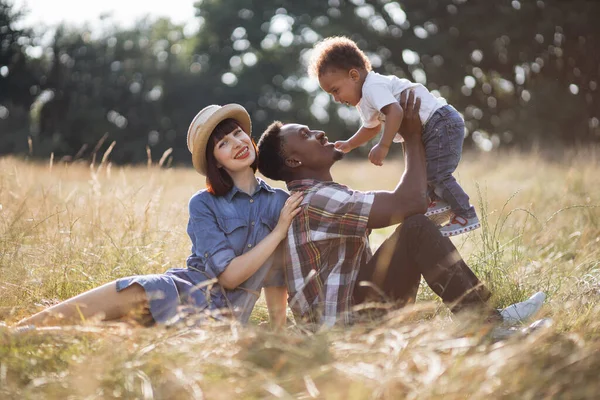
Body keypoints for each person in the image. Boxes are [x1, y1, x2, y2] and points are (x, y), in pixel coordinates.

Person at [256, 90, 545, 328]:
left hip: (352, 315)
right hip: (341, 332)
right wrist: (410, 136)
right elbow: (411, 203)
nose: (319, 133)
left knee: (416, 228)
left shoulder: (320, 195)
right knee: (415, 229)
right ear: (293, 162)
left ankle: (490, 320)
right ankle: (488, 325)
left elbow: (410, 202)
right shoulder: (315, 201)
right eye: (306, 135)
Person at [17, 104, 302, 329]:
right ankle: (17, 330)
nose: (237, 143)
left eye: (238, 133)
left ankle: (24, 332)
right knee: (135, 291)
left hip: (220, 323)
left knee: (100, 334)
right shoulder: (204, 204)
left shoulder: (280, 202)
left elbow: (276, 274)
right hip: (183, 292)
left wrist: (278, 331)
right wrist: (278, 231)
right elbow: (227, 277)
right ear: (216, 160)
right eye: (223, 143)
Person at [308, 36, 479, 237]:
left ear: (354, 75)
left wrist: (384, 145)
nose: (336, 99)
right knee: (425, 174)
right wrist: (350, 144)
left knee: (437, 174)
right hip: (432, 127)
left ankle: (465, 213)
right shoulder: (364, 101)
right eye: (331, 95)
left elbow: (395, 112)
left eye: (335, 90)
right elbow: (370, 128)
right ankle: (439, 203)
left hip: (440, 121)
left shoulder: (372, 87)